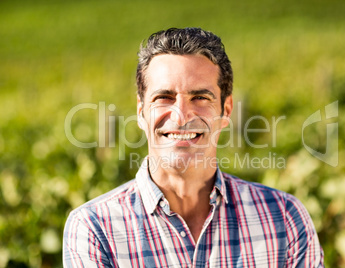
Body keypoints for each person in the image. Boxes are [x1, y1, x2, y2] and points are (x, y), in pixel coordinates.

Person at [63, 27, 324, 267]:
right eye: (164, 97)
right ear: (142, 113)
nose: (181, 116)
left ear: (226, 110)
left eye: (200, 97)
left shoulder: (284, 219)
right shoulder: (94, 229)